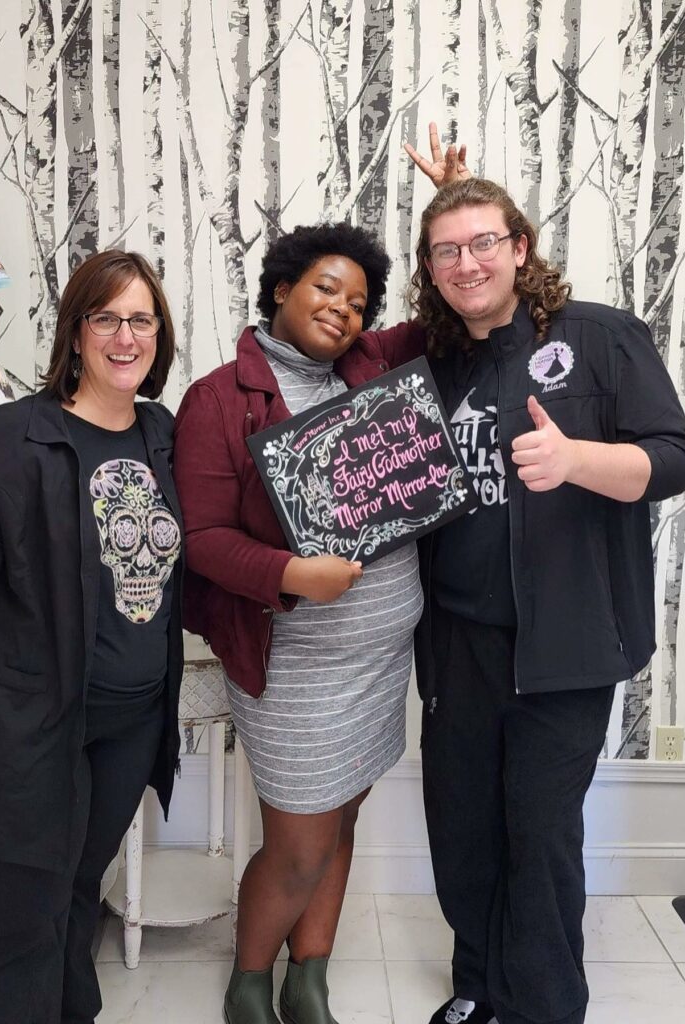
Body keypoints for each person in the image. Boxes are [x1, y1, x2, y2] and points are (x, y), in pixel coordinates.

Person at [410, 178, 685, 1024]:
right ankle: (478, 986)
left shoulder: (599, 336)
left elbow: (675, 459)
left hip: (564, 645)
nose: (468, 263)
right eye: (447, 250)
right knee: (463, 828)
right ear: (431, 268)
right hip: (457, 641)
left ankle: (542, 1006)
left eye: (484, 242)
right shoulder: (437, 359)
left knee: (537, 834)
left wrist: (578, 462)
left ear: (521, 247)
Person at [0, 249, 184, 1024]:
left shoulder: (164, 436)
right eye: (106, 319)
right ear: (77, 331)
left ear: (159, 332)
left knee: (76, 894)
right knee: (21, 916)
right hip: (28, 725)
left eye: (141, 319)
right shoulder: (17, 432)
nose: (125, 336)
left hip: (129, 723)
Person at [174, 223, 433, 1024]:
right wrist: (292, 574)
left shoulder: (378, 366)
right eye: (326, 287)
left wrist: (443, 214)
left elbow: (454, 309)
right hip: (294, 664)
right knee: (298, 844)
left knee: (344, 816)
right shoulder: (219, 397)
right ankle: (251, 979)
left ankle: (308, 975)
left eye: (359, 303)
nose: (343, 310)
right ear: (280, 288)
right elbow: (205, 540)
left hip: (383, 657)